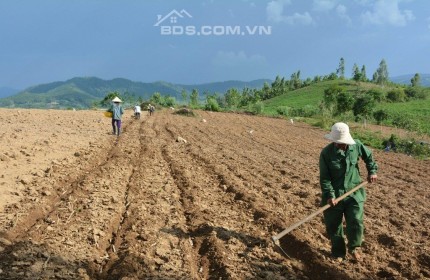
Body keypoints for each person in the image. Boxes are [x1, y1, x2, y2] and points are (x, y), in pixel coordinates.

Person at [319, 122, 378, 262]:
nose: (342, 145)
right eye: (339, 143)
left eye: (343, 142)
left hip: (354, 192)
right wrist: (330, 195)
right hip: (334, 194)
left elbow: (369, 157)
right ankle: (338, 252)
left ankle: (354, 248)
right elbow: (325, 178)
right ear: (333, 140)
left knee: (356, 221)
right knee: (334, 225)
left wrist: (372, 171)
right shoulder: (326, 153)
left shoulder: (356, 145)